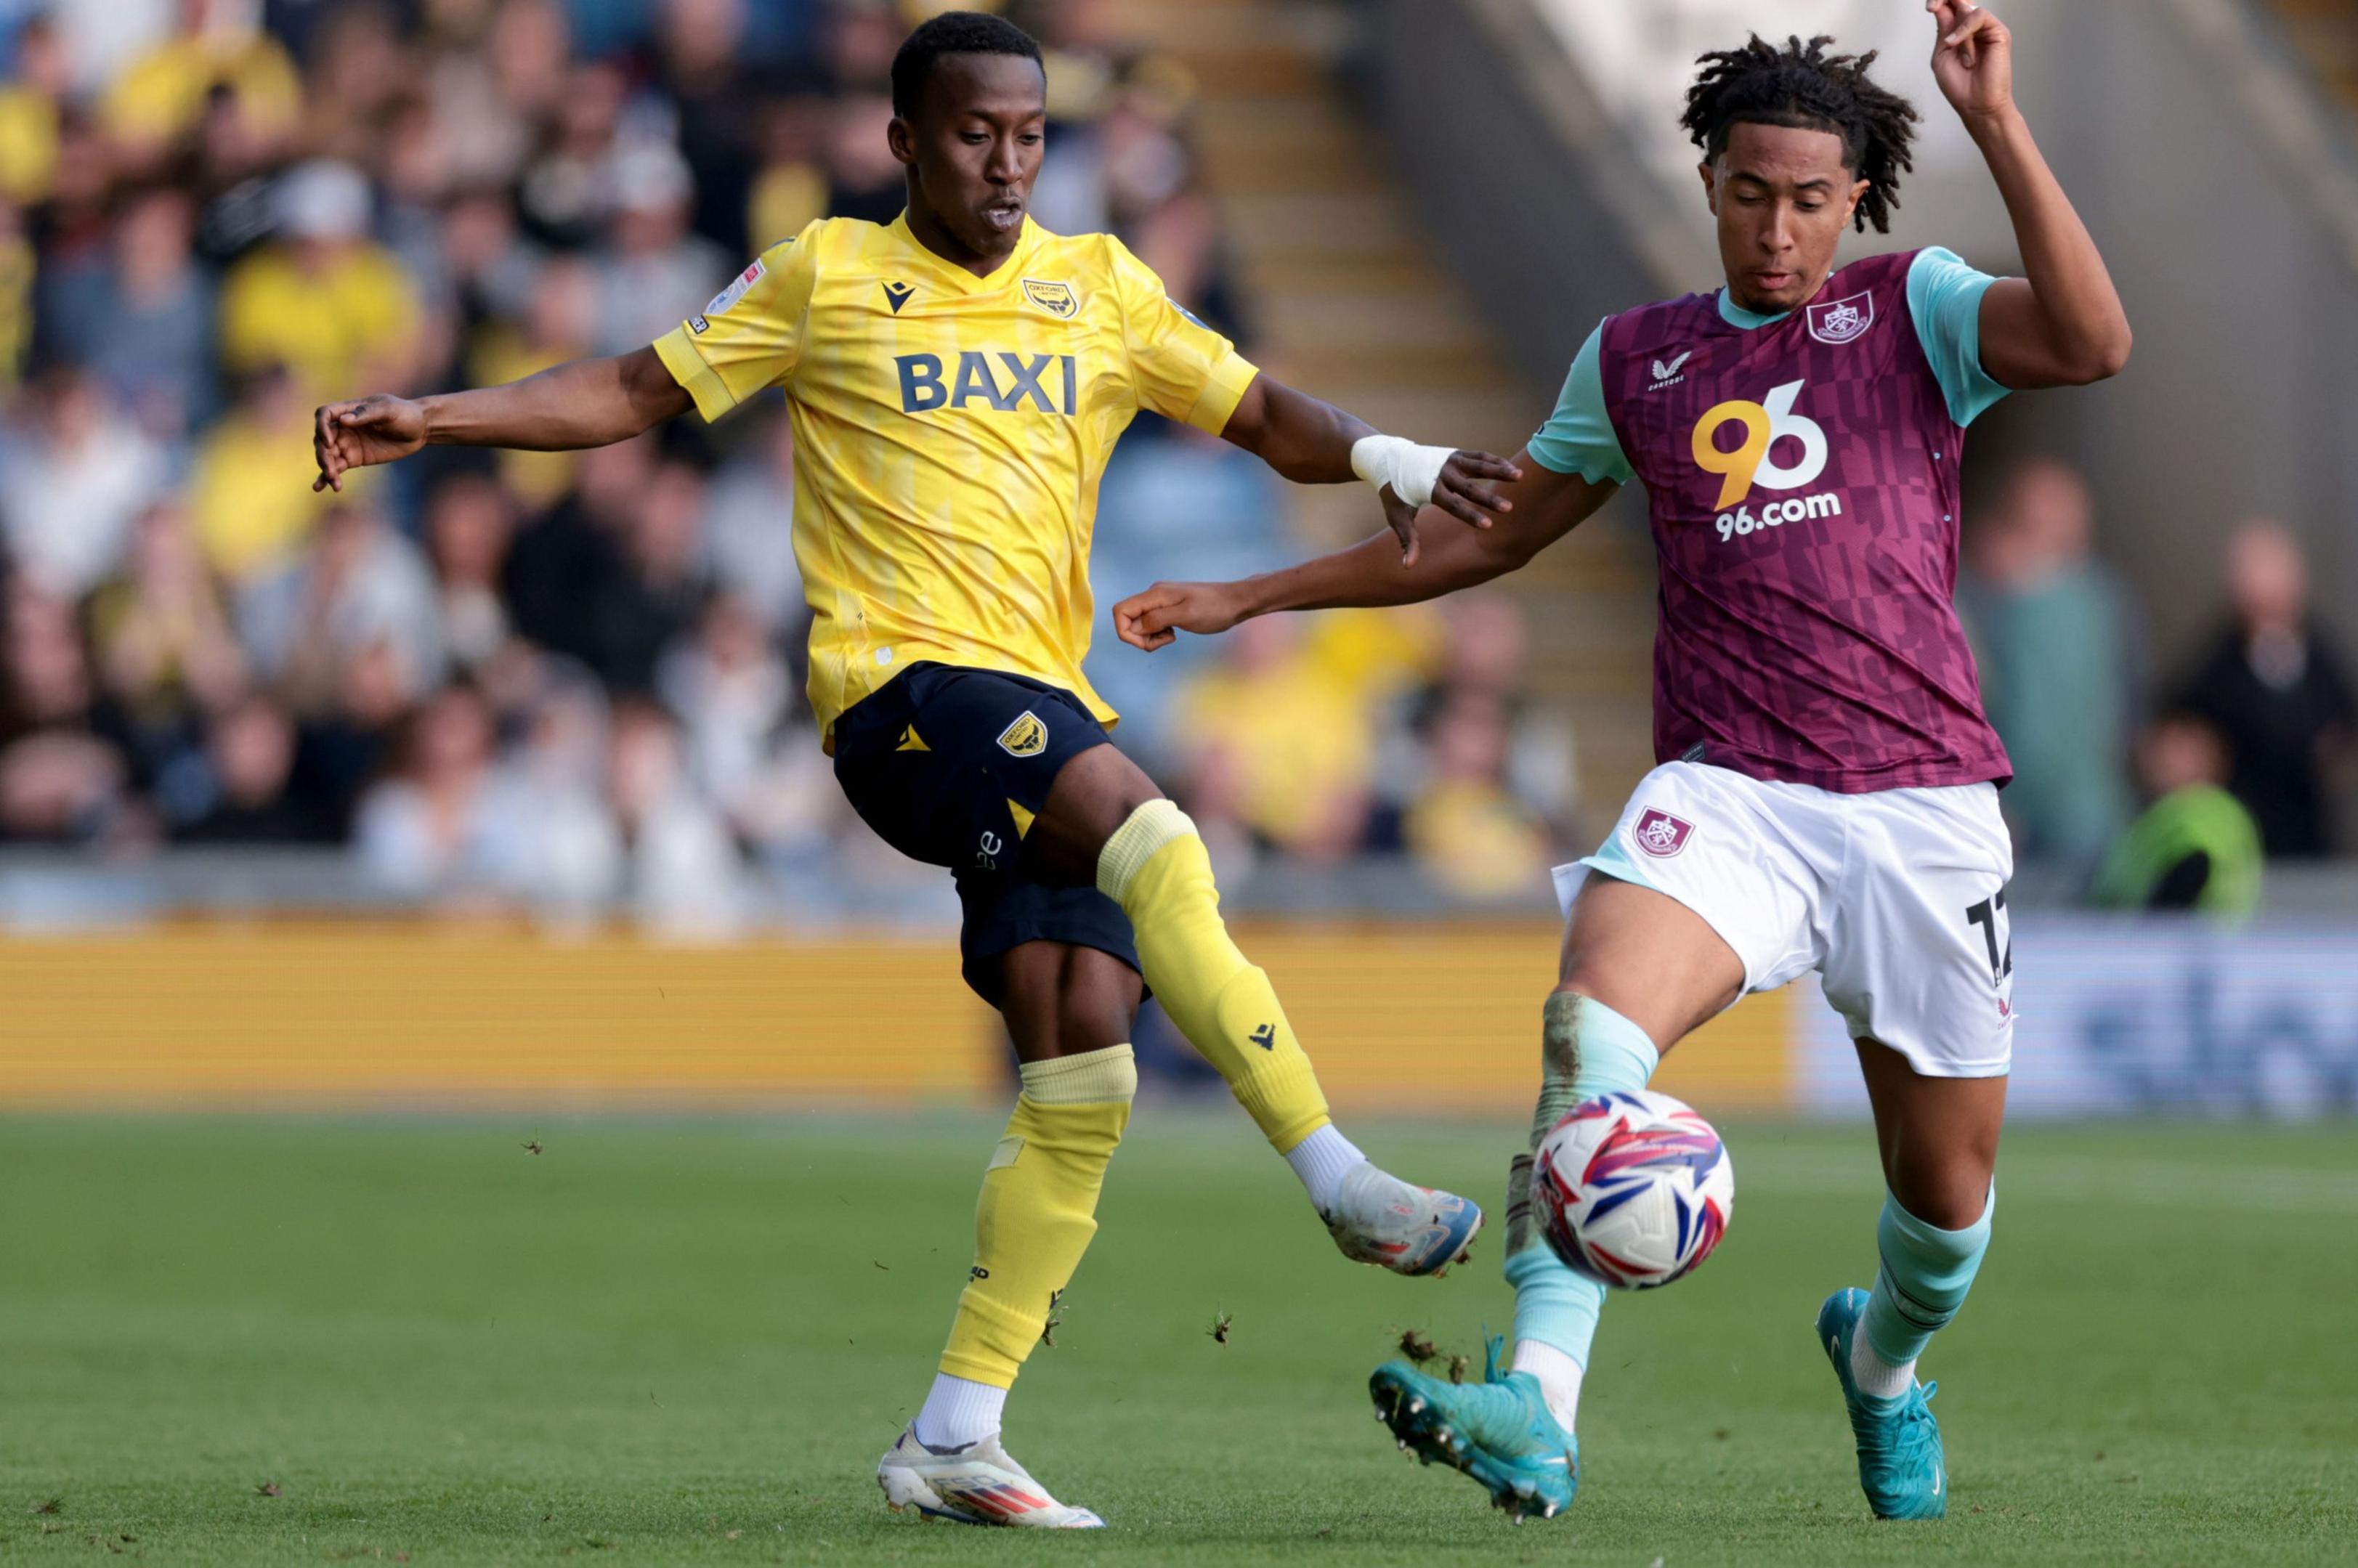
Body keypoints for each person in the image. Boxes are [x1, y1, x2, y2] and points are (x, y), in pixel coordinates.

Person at [305, 9, 1518, 1530]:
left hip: (1033, 698)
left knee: (1085, 1068)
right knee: (1164, 842)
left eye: (1026, 133)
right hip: (902, 695)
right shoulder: (827, 274)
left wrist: (1394, 459)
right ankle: (1340, 1177)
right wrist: (442, 415)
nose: (1006, 161)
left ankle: (958, 1429)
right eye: (971, 133)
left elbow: (1265, 413)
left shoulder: (1102, 289)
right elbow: (633, 388)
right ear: (903, 141)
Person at [1119, 2, 2129, 1522]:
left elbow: (2095, 342)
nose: (1777, 228)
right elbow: (1483, 534)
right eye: (1750, 191)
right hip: (1731, 795)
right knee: (1591, 1044)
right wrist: (1248, 594)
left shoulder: (1911, 311)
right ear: (1708, 178)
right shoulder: (1639, 362)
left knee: (1945, 1207)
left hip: (1924, 808)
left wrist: (1996, 119)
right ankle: (1538, 1406)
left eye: (1809, 199)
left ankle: (1882, 1363)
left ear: (1855, 198)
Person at [1958, 455, 2136, 868]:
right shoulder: (1980, 600)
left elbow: (2131, 695)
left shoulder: (2104, 601)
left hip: (2089, 813)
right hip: (2006, 811)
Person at [2170, 519, 2358, 859]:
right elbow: (2178, 726)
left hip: (2305, 834)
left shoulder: (2320, 655)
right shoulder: (2219, 660)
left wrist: (2339, 756)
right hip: (2233, 835)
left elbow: (2355, 735)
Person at [2090, 713, 2262, 917]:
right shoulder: (2149, 817)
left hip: (2187, 942)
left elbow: (2191, 872)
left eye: (2180, 748)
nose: (2165, 757)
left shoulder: (2208, 814)